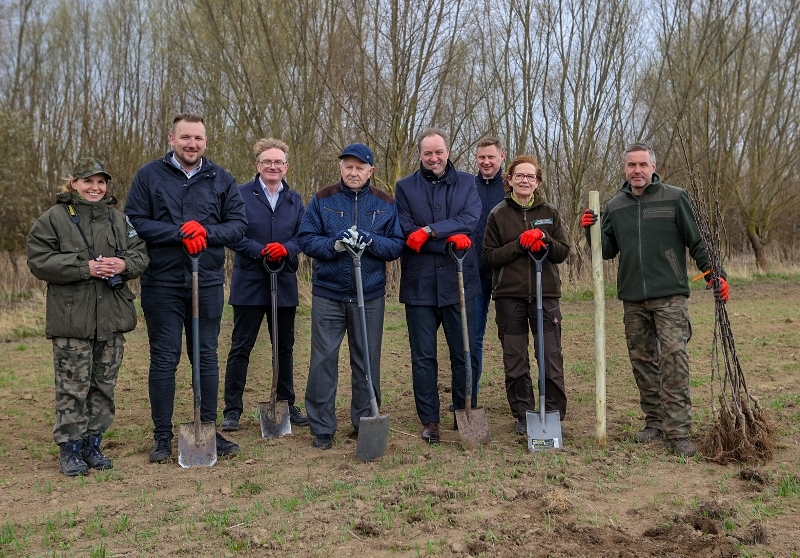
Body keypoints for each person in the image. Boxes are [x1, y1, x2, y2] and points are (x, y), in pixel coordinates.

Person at [582, 142, 730, 458]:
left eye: (642, 165)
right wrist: (591, 230)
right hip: (633, 298)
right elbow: (606, 251)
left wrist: (715, 272)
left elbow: (697, 240)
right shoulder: (615, 206)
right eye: (631, 165)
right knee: (643, 362)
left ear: (653, 166)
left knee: (674, 359)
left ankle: (678, 433)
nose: (637, 170)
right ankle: (655, 423)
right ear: (625, 169)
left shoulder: (675, 198)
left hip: (670, 296)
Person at [125, 113, 247, 463]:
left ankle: (207, 428)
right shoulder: (149, 175)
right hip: (161, 281)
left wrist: (205, 233)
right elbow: (135, 221)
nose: (192, 144)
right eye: (185, 138)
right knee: (164, 358)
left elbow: (238, 226)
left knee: (205, 356)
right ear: (171, 139)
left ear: (205, 142)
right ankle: (162, 436)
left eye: (198, 138)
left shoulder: (220, 178)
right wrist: (179, 232)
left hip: (206, 280)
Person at [27, 158, 149, 476]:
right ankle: (70, 449)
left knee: (104, 386)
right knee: (72, 387)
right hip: (71, 320)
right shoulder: (52, 219)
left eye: (101, 182)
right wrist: (86, 268)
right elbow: (39, 261)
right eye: (88, 181)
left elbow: (140, 254)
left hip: (111, 318)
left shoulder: (118, 220)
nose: (95, 188)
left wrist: (122, 265)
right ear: (74, 184)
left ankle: (93, 444)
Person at [297, 143, 404, 450]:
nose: (353, 172)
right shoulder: (322, 199)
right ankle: (322, 427)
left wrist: (371, 241)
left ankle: (365, 419)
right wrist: (333, 245)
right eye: (348, 166)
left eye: (360, 167)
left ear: (370, 171)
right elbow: (305, 238)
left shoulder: (385, 203)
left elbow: (396, 245)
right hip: (328, 293)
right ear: (340, 168)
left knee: (367, 359)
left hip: (368, 294)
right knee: (323, 360)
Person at [395, 128, 481, 443]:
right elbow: (406, 231)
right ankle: (429, 420)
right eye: (428, 153)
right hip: (419, 285)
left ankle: (464, 411)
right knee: (423, 356)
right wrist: (444, 240)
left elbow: (469, 220)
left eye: (439, 152)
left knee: (464, 352)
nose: (434, 158)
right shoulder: (404, 187)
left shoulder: (468, 183)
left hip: (460, 282)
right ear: (420, 154)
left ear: (447, 151)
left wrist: (429, 231)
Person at [221, 138, 308, 432]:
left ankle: (286, 401)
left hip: (283, 281)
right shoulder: (241, 195)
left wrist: (286, 249)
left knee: (284, 347)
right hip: (249, 282)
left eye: (278, 162)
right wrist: (259, 250)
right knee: (241, 347)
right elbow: (233, 233)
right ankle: (232, 410)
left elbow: (304, 235)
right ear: (257, 165)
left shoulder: (295, 200)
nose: (273, 166)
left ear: (286, 166)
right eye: (267, 161)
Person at [483, 155, 570, 435]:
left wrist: (544, 239)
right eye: (519, 176)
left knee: (550, 356)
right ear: (509, 180)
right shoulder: (498, 214)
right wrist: (518, 245)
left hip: (545, 295)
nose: (524, 181)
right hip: (510, 297)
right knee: (515, 358)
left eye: (530, 176)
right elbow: (489, 257)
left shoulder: (551, 212)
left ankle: (553, 413)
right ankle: (523, 413)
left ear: (537, 181)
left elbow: (563, 252)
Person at [473, 136, 507, 388]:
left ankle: (519, 398)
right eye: (482, 157)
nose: (486, 162)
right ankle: (469, 394)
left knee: (511, 336)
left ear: (501, 157)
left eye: (491, 157)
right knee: (473, 335)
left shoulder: (511, 186)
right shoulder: (465, 187)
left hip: (506, 272)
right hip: (473, 271)